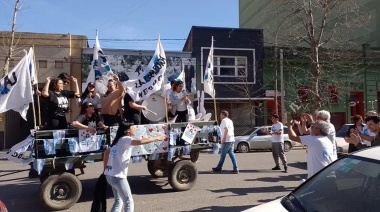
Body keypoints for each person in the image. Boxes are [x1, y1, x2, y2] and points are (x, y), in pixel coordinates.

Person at [104, 121, 165, 212]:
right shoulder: (125, 139)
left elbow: (106, 152)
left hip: (110, 175)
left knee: (118, 201)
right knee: (128, 201)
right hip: (118, 176)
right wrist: (157, 138)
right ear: (128, 130)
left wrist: (105, 170)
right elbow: (140, 141)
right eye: (133, 127)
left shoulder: (118, 140)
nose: (135, 128)